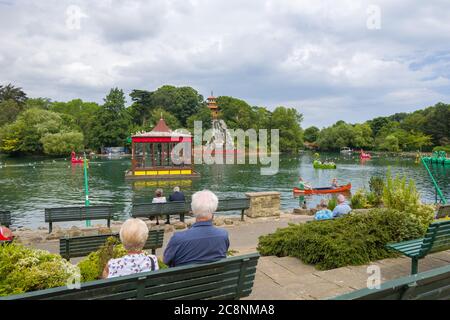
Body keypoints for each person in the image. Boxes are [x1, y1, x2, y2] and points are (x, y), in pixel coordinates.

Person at [163, 190, 229, 267]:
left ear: (193, 210)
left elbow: (166, 260)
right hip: (215, 278)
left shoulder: (178, 238)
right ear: (215, 209)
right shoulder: (223, 235)